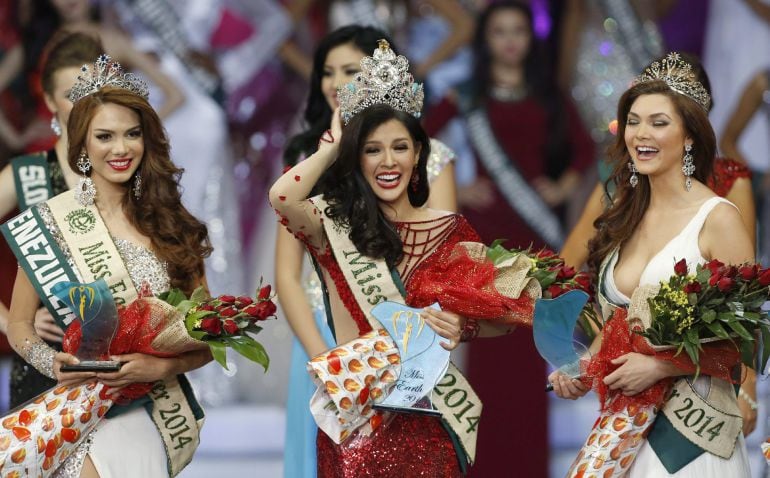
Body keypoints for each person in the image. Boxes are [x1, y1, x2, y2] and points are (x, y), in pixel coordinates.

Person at [270, 41, 510, 477]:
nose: (387, 161)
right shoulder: (333, 226)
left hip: (428, 421)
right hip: (357, 420)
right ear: (357, 159)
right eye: (372, 149)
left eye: (400, 147)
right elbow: (282, 198)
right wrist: (331, 145)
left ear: (419, 155)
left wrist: (464, 325)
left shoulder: (448, 229)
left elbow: (501, 315)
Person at [4, 55, 212, 477]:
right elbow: (20, 326)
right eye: (105, 136)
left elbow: (208, 336)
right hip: (75, 407)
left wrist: (162, 366)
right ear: (82, 145)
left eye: (132, 134)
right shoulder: (53, 222)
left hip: (145, 411)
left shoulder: (171, 224)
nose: (120, 149)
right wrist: (50, 362)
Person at [550, 53, 752, 476]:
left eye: (659, 123)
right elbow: (620, 324)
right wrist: (583, 367)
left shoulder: (718, 218)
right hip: (626, 431)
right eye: (634, 121)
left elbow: (744, 343)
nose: (641, 133)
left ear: (690, 136)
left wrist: (661, 365)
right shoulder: (624, 213)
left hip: (692, 440)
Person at [422, 3, 594, 474]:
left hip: (535, 236)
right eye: (499, 31)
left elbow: (584, 150)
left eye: (518, 30)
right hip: (489, 238)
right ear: (486, 39)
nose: (510, 40)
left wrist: (561, 186)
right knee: (491, 350)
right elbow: (417, 142)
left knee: (526, 348)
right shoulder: (467, 95)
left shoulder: (547, 92)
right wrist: (458, 184)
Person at [0, 30, 103, 408]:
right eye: (70, 94)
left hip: (117, 363)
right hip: (41, 361)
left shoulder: (128, 170)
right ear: (48, 101)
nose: (84, 103)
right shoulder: (27, 175)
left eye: (93, 90)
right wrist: (9, 320)